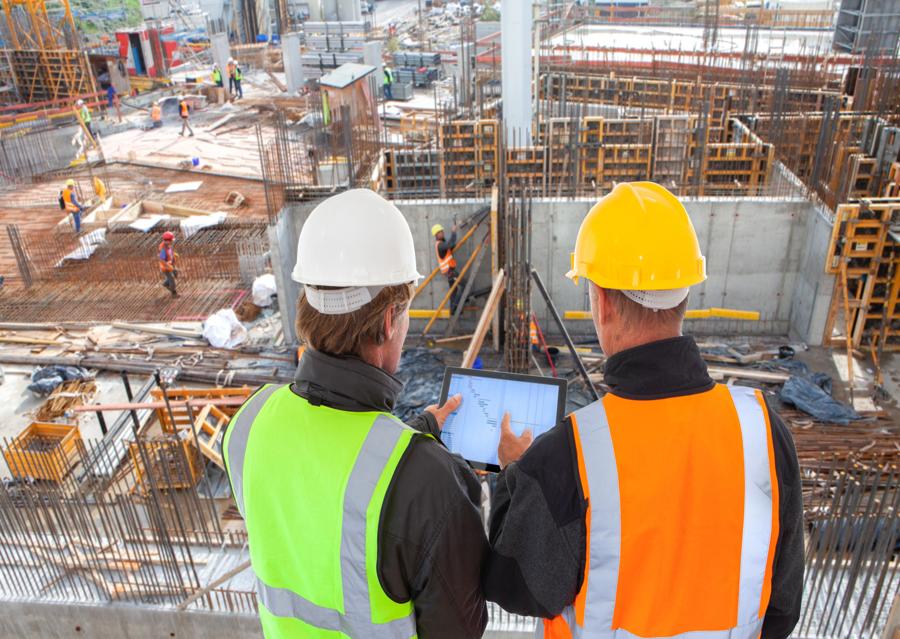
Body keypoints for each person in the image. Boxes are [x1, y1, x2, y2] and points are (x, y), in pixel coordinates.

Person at [485, 182, 804, 639]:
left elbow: (514, 585)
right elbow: (783, 606)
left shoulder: (566, 457)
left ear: (603, 302)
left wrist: (513, 475)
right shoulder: (763, 432)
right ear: (685, 295)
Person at [223, 189, 488, 639]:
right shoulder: (428, 482)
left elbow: (324, 499)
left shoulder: (248, 423)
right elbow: (460, 629)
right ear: (389, 321)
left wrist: (418, 436)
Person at [432, 223, 461, 313]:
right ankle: (457, 306)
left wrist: (452, 245)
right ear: (436, 235)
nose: (442, 233)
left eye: (442, 231)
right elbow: (450, 244)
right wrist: (453, 232)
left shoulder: (442, 244)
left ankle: (453, 309)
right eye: (440, 232)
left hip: (449, 271)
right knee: (464, 285)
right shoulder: (440, 245)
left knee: (454, 289)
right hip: (449, 271)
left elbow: (450, 246)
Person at [158, 231, 178, 297]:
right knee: (171, 279)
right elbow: (161, 260)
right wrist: (168, 266)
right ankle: (173, 292)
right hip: (165, 268)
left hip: (170, 265)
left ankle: (166, 283)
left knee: (175, 273)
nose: (172, 241)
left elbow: (169, 252)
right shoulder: (163, 249)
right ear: (167, 241)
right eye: (171, 240)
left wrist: (173, 254)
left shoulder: (168, 245)